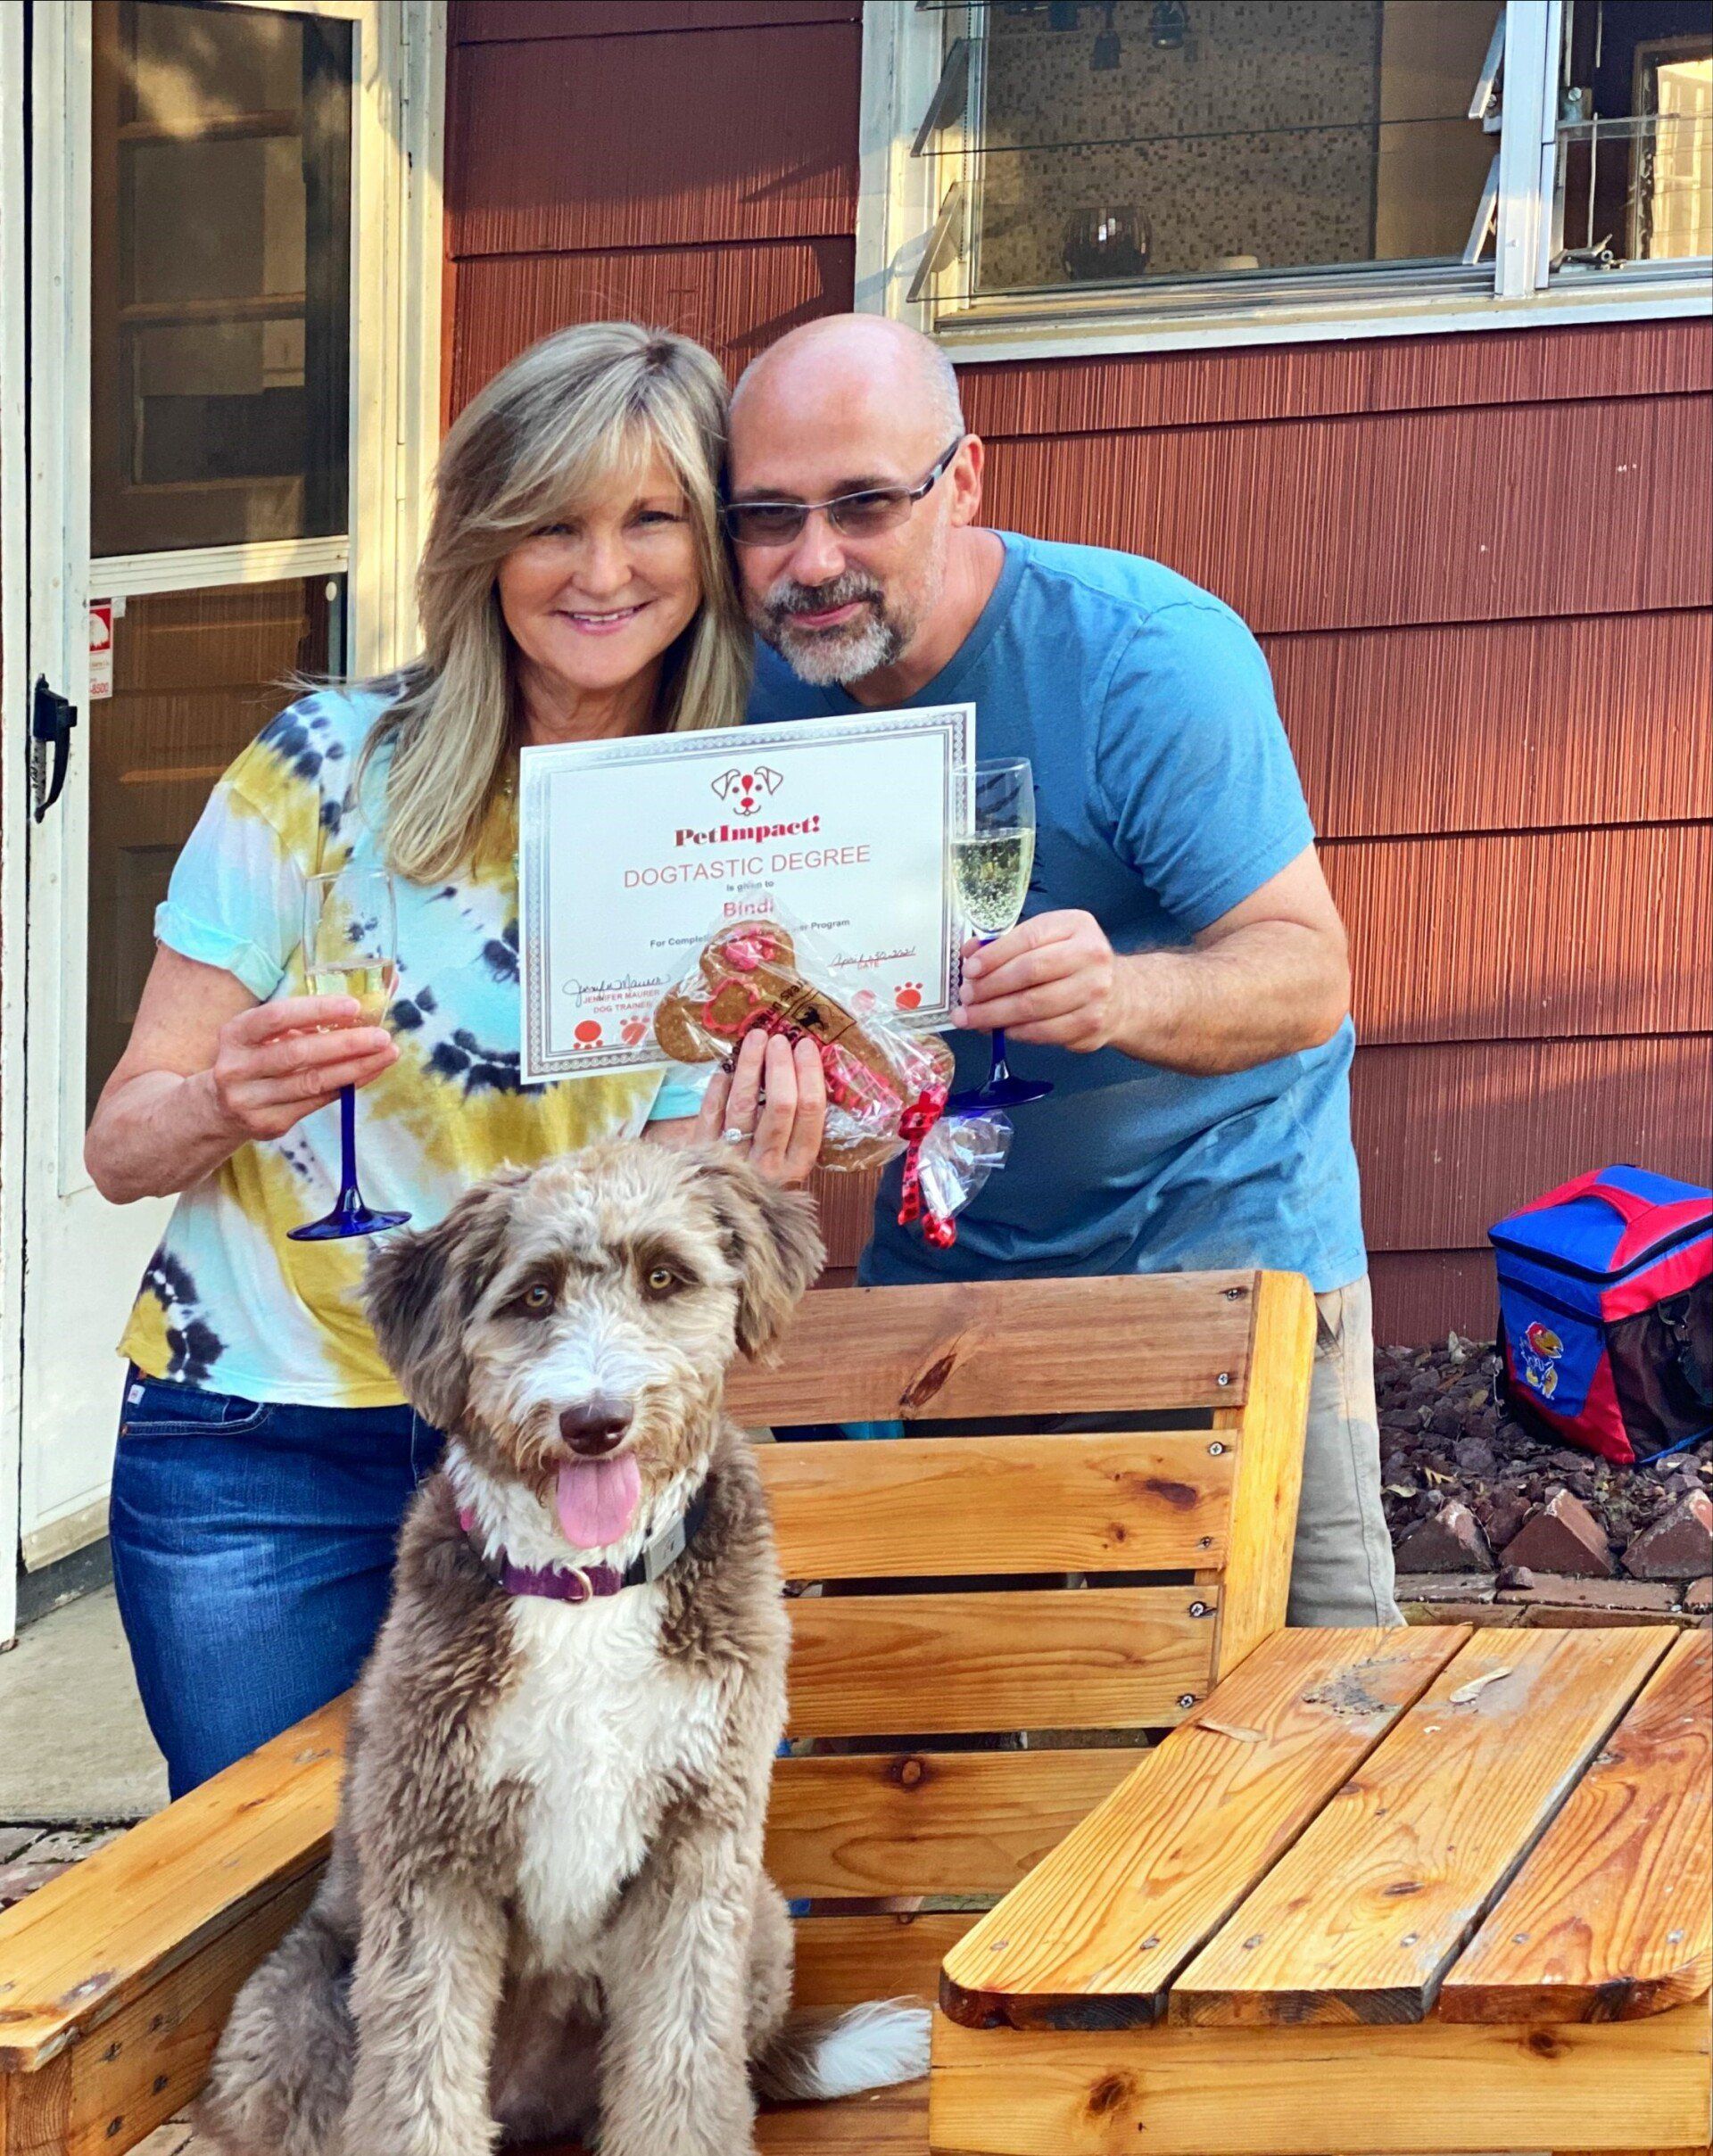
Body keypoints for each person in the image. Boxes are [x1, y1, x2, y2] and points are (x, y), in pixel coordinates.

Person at [85, 323, 826, 1794]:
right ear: (487, 540)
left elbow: (657, 1198)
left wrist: (741, 1163)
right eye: (554, 521)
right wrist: (229, 1093)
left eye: (650, 519)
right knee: (270, 1910)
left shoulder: (734, 824)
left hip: (571, 1445)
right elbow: (123, 1147)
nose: (601, 571)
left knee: (551, 1913)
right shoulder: (322, 769)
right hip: (261, 1441)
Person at [724, 313, 1397, 1628]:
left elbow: (1308, 973)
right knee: (978, 1700)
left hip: (1219, 1247)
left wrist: (1125, 995)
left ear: (964, 478)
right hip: (949, 1273)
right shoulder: (749, 690)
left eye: (865, 504)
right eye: (769, 516)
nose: (815, 560)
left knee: (1310, 1698)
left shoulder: (1141, 654)